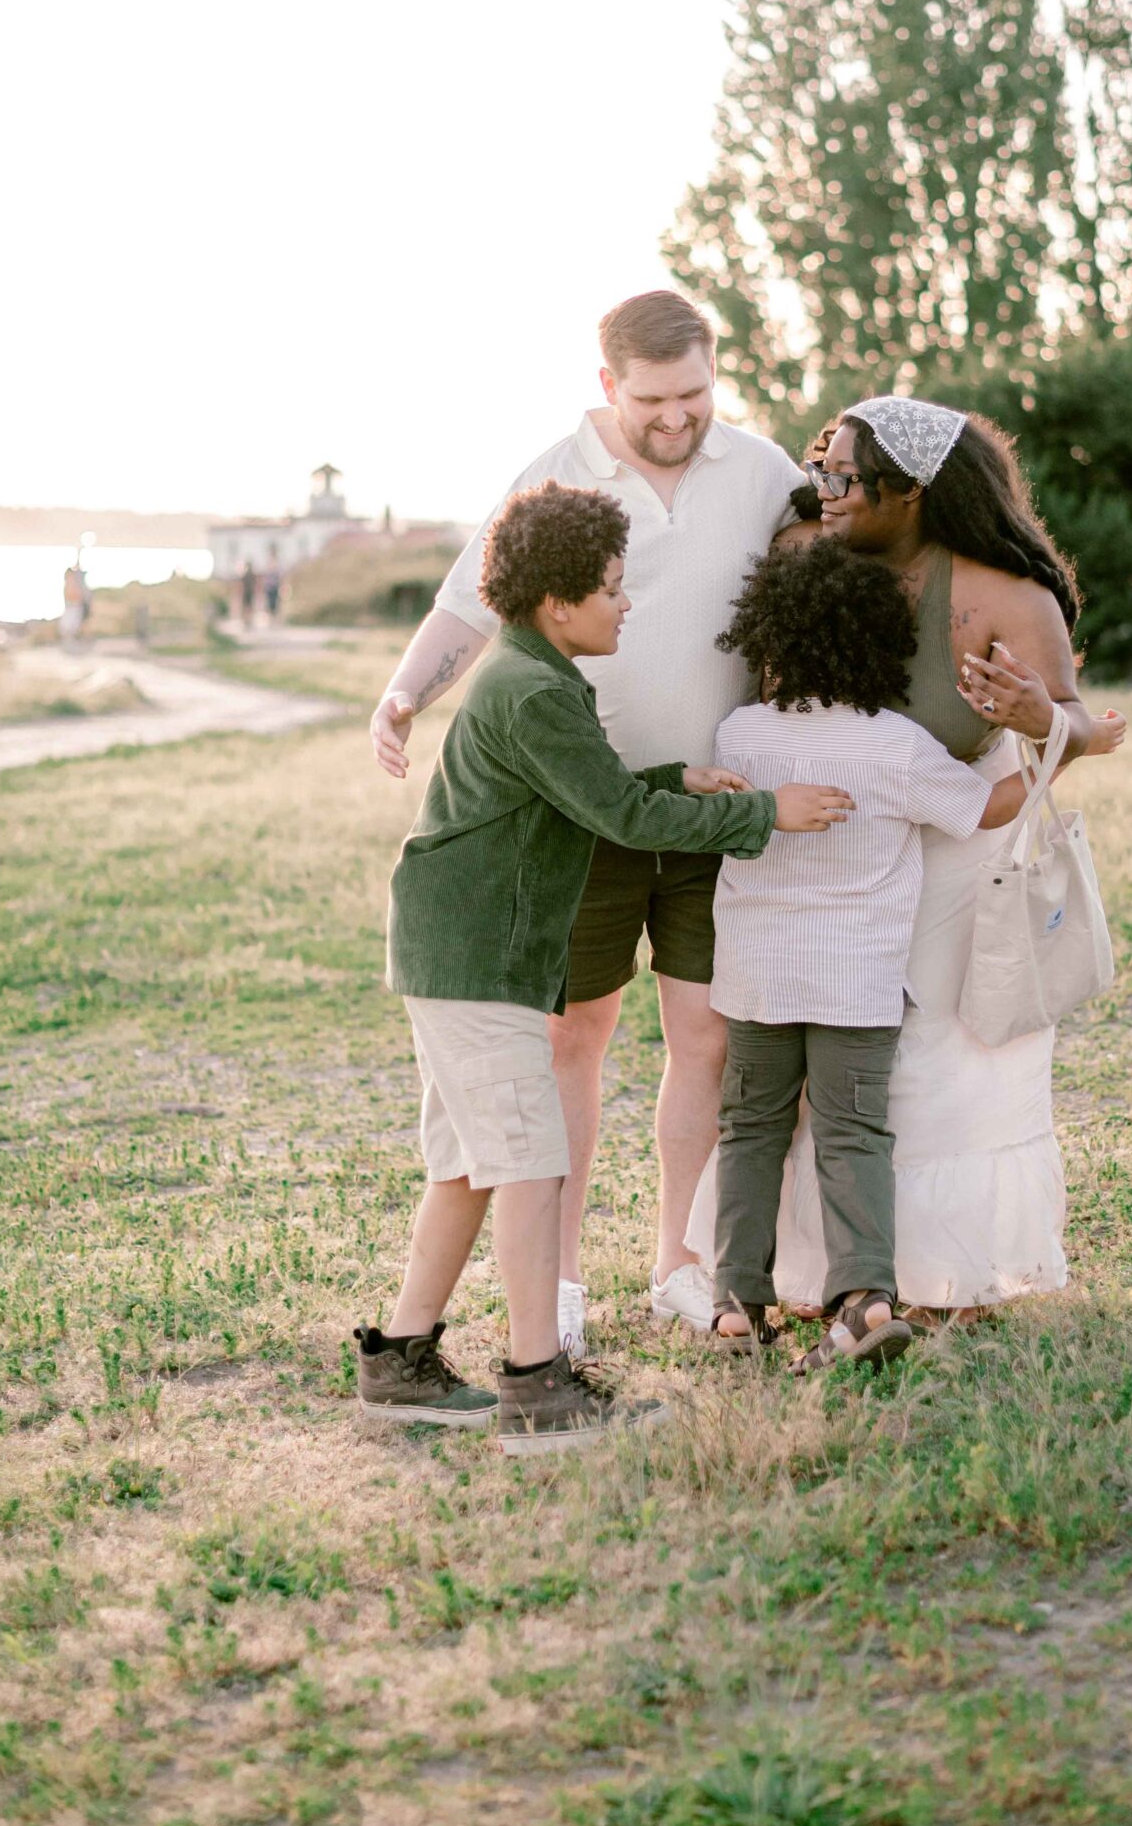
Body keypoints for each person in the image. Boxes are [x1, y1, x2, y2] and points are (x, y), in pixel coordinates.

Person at [358, 480, 852, 1457]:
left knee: (467, 1162)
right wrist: (763, 812)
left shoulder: (537, 677)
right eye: (615, 588)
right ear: (558, 603)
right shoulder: (532, 690)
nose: (627, 605)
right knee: (529, 1161)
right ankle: (537, 1386)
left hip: (463, 948)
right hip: (476, 956)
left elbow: (607, 794)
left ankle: (401, 1360)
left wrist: (678, 779)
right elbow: (621, 822)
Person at [368, 291, 805, 1355]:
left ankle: (679, 1262)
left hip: (707, 799)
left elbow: (823, 586)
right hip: (587, 813)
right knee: (574, 1036)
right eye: (653, 398)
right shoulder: (552, 471)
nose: (675, 417)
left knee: (705, 1036)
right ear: (608, 385)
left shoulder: (760, 470)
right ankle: (554, 1283)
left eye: (694, 393)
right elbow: (472, 602)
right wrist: (401, 695)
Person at [688, 395, 1125, 1318]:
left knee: (942, 1066)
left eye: (844, 478)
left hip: (960, 848)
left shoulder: (1005, 593)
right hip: (831, 852)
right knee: (824, 1093)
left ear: (912, 491)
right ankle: (820, 1277)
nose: (824, 492)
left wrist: (1047, 721)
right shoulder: (804, 557)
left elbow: (1073, 721)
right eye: (822, 470)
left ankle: (944, 1275)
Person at [704, 539, 1027, 1373]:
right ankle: (864, 1297)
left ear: (767, 635)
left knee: (750, 1128)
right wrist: (1065, 748)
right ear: (881, 641)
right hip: (856, 982)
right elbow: (985, 809)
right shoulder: (896, 745)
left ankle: (738, 1301)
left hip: (756, 975)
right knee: (852, 1135)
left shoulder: (738, 734)